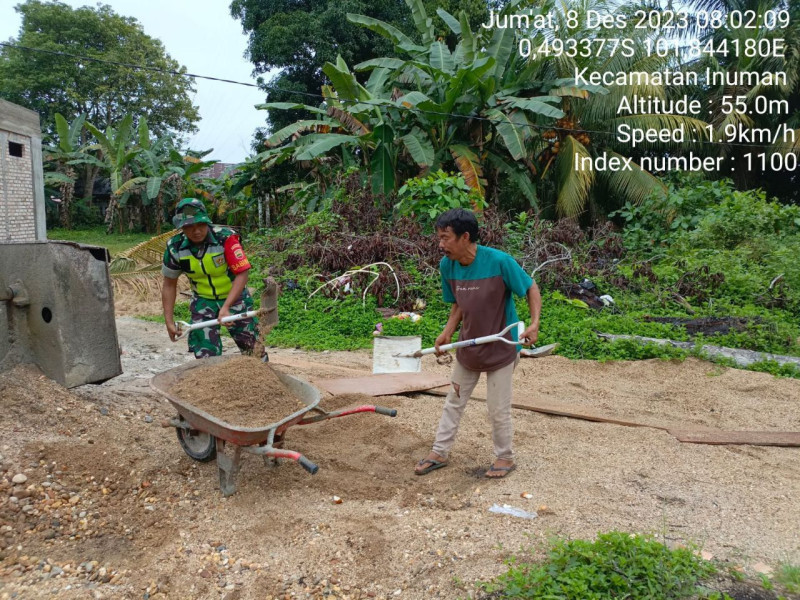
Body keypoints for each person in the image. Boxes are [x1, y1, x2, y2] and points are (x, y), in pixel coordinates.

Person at [414, 208, 541, 479]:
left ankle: (505, 457)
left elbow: (531, 287)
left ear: (465, 237)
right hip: (468, 346)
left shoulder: (499, 262)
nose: (440, 244)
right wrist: (447, 332)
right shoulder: (447, 266)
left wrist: (534, 323)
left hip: (502, 347)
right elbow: (458, 304)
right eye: (439, 237)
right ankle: (439, 452)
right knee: (454, 401)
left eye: (446, 237)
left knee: (497, 408)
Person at [161, 198, 261, 358]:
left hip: (235, 299)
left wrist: (226, 307)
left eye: (201, 225)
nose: (196, 231)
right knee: (205, 356)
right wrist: (169, 321)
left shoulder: (225, 238)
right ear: (182, 228)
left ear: (207, 222)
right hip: (203, 302)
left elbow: (242, 273)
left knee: (254, 351)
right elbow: (169, 284)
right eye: (189, 227)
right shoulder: (175, 247)